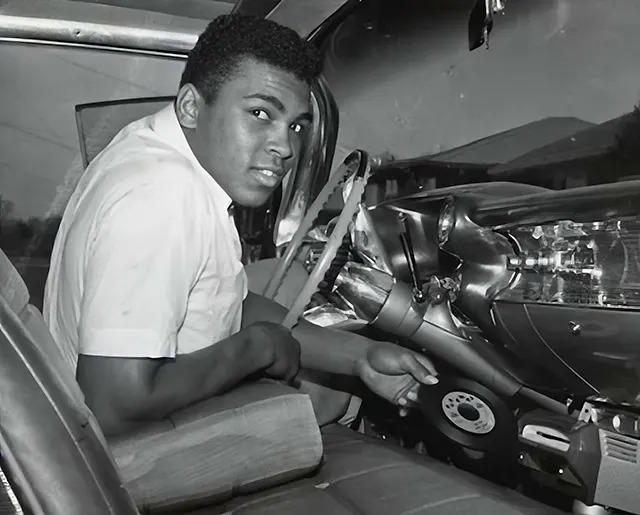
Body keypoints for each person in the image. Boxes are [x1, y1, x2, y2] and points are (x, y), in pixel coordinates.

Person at [43, 14, 438, 437]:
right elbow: (113, 405)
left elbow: (224, 300)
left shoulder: (146, 153)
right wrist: (259, 348)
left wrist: (360, 356)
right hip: (127, 467)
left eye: (297, 125)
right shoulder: (163, 193)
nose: (284, 147)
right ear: (192, 106)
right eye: (259, 113)